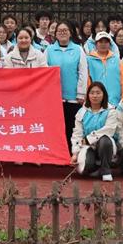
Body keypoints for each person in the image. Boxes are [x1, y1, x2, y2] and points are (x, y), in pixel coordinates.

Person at [46, 20, 88, 148]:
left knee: (72, 126)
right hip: (55, 97)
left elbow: (83, 72)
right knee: (56, 127)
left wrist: (81, 93)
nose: (62, 33)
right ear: (55, 34)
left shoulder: (78, 49)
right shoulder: (49, 50)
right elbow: (44, 70)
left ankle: (71, 152)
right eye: (59, 31)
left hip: (73, 97)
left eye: (65, 30)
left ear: (70, 33)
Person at [71, 82, 118, 182]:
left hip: (104, 145)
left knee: (105, 140)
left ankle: (106, 170)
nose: (95, 96)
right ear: (88, 95)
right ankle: (96, 167)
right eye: (92, 93)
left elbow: (109, 130)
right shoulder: (81, 112)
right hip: (87, 146)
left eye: (98, 93)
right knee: (85, 168)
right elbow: (77, 133)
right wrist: (75, 153)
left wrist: (89, 139)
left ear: (104, 95)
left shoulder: (111, 110)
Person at [86, 32, 123, 107]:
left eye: (106, 42)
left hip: (115, 102)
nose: (103, 44)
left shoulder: (117, 60)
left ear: (109, 44)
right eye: (100, 42)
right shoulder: (88, 60)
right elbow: (87, 81)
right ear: (96, 44)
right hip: (96, 102)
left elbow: (122, 79)